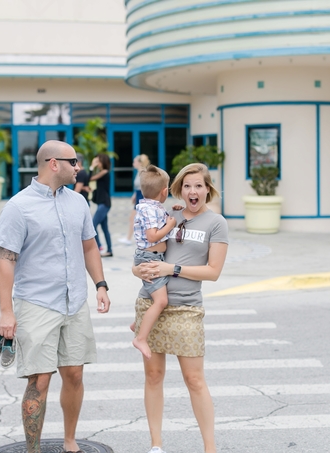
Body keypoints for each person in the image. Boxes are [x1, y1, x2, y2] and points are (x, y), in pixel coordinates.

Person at [0, 140, 111, 453]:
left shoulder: (78, 203)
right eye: (74, 161)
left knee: (74, 374)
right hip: (36, 303)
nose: (79, 167)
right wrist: (6, 311)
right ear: (53, 163)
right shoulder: (18, 207)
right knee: (40, 380)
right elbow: (6, 260)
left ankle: (70, 441)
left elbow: (89, 246)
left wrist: (101, 285)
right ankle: (33, 450)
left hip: (74, 302)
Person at [132, 163, 228, 453]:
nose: (192, 191)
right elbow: (142, 253)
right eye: (187, 186)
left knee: (194, 379)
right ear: (178, 189)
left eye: (198, 185)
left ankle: (210, 448)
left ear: (207, 189)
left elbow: (213, 272)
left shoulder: (216, 223)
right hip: (152, 303)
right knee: (153, 376)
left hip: (187, 308)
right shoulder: (166, 213)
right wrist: (138, 272)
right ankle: (156, 445)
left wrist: (171, 267)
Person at [130, 165, 177, 359]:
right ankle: (140, 337)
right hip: (149, 258)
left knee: (153, 295)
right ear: (164, 191)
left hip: (155, 257)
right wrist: (170, 224)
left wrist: (171, 213)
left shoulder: (154, 207)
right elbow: (152, 235)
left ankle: (138, 322)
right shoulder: (148, 210)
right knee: (161, 300)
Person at [119, 154, 150, 245]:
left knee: (135, 218)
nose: (133, 163)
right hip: (138, 196)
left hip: (141, 198)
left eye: (135, 162)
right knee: (136, 219)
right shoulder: (139, 172)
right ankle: (131, 237)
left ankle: (129, 238)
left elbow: (144, 187)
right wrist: (134, 195)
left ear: (139, 163)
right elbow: (138, 186)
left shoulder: (143, 172)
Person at [89, 153, 113, 257]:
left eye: (98, 161)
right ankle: (109, 250)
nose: (97, 163)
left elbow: (89, 178)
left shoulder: (104, 172)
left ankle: (99, 247)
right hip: (102, 203)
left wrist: (91, 167)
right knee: (104, 228)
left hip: (104, 204)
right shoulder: (102, 172)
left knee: (92, 226)